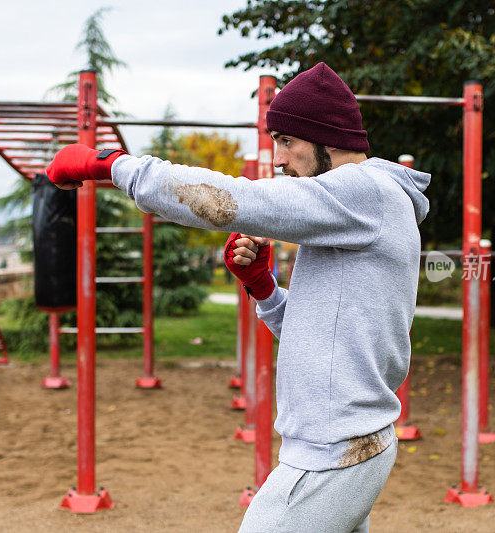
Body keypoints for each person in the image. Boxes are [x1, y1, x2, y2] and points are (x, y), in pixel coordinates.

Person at [47, 62, 430, 532]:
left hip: (334, 450)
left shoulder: (363, 192)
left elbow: (234, 201)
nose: (280, 159)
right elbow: (316, 334)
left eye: (287, 141)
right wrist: (263, 288)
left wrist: (112, 164)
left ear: (326, 138)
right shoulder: (353, 208)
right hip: (345, 444)